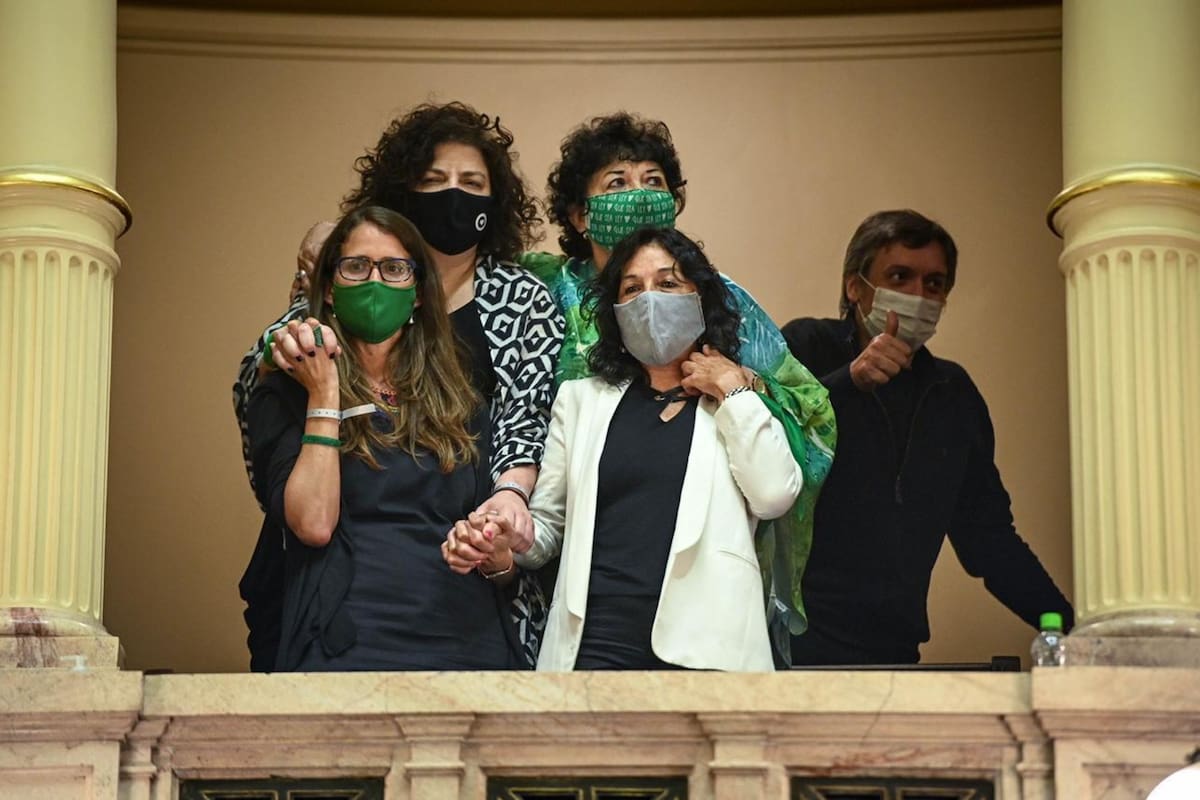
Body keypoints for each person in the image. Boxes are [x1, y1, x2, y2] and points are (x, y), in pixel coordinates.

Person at [234, 102, 563, 670]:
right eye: (433, 180)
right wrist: (308, 378)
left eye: (471, 182)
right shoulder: (311, 347)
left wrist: (504, 513)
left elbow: (527, 421)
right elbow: (264, 389)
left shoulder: (480, 360)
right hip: (341, 620)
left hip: (464, 621)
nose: (453, 194)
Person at [519, 112, 836, 657]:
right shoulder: (536, 290)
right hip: (568, 589)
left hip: (702, 613)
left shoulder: (724, 301)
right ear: (578, 213)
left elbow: (809, 413)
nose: (639, 194)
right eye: (617, 182)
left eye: (653, 181)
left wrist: (741, 387)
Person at [445, 228, 801, 671]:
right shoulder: (580, 401)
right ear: (614, 312)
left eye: (668, 284)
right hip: (593, 652)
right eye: (632, 289)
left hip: (710, 659)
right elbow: (546, 533)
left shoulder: (736, 399)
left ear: (701, 299)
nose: (649, 300)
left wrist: (729, 386)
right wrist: (505, 543)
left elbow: (774, 495)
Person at [781, 209, 1075, 665]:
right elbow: (761, 437)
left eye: (934, 284)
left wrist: (1068, 628)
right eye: (899, 276)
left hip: (894, 653)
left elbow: (989, 537)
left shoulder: (952, 395)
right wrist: (847, 384)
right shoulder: (806, 346)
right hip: (788, 647)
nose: (918, 295)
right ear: (855, 286)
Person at [246, 205, 521, 671]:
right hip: (346, 643)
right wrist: (325, 391)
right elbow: (313, 523)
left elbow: (490, 549)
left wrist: (497, 556)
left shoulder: (459, 396)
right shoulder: (284, 392)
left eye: (395, 269)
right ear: (329, 287)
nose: (376, 281)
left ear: (417, 292)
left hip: (466, 644)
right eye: (356, 266)